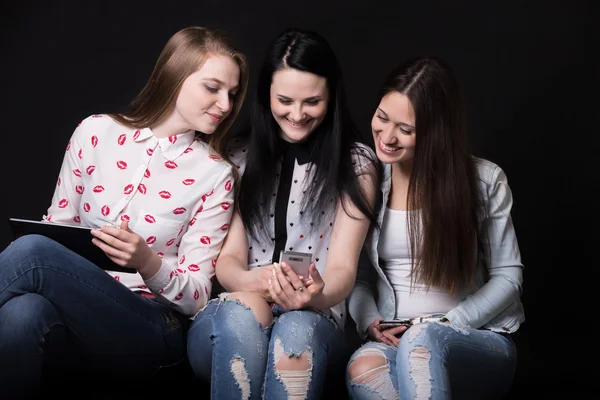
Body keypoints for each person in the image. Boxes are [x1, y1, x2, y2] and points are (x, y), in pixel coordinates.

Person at [0, 26, 248, 398]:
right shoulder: (94, 132)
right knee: (23, 313)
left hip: (151, 327)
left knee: (32, 252)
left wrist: (148, 262)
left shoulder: (216, 175)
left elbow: (197, 296)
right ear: (175, 76)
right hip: (73, 310)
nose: (226, 105)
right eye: (212, 88)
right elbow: (56, 230)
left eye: (231, 94)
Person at [187, 28, 381, 399]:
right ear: (266, 96)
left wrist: (313, 297)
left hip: (316, 323)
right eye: (285, 100)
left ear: (331, 98)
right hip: (233, 319)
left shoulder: (357, 165)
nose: (297, 114)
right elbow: (227, 262)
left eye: (312, 102)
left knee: (296, 331)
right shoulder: (237, 155)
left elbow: (341, 270)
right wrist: (255, 284)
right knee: (244, 312)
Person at [345, 56, 525, 400]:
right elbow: (360, 276)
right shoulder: (368, 182)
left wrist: (448, 322)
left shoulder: (484, 181)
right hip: (393, 337)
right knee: (363, 369)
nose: (387, 136)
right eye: (382, 118)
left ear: (436, 131)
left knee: (422, 342)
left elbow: (509, 275)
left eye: (406, 130)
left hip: (475, 340)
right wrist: (370, 321)